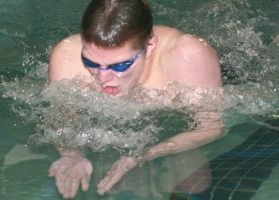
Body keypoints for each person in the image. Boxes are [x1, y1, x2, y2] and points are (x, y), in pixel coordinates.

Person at [48, 0, 225, 198]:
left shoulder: (187, 56)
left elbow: (211, 126)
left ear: (149, 46)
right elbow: (62, 120)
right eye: (90, 62)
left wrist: (149, 153)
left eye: (120, 65)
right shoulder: (66, 56)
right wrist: (71, 154)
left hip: (179, 116)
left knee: (194, 183)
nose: (102, 78)